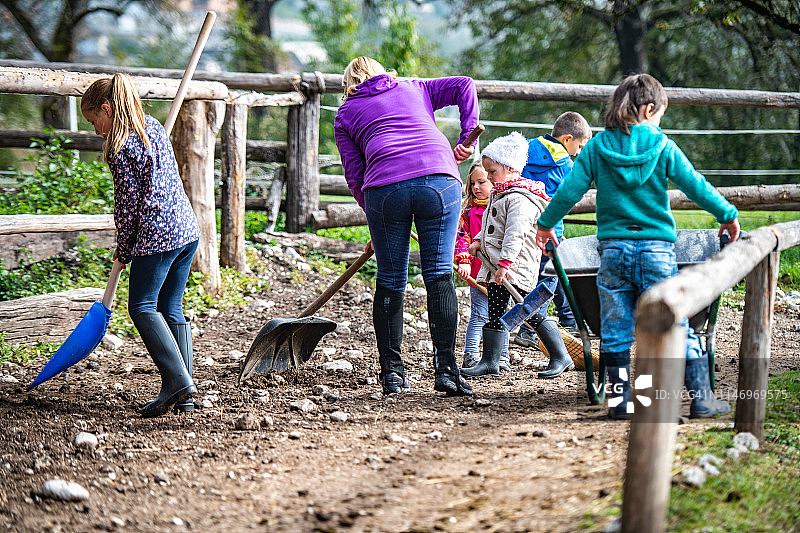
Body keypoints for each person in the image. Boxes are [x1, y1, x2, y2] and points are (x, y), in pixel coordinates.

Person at [535, 73, 740, 419]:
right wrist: (727, 215)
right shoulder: (662, 146)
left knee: (615, 331)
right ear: (648, 110)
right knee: (676, 322)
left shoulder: (597, 147)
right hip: (657, 252)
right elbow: (695, 185)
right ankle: (702, 399)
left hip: (613, 253)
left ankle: (621, 402)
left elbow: (569, 191)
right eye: (660, 115)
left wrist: (545, 224)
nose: (659, 122)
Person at [334, 57, 479, 397]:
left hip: (385, 191)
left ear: (349, 85)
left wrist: (377, 219)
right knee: (439, 275)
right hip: (439, 181)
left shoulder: (346, 113)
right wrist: (468, 138)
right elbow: (465, 84)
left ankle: (392, 376)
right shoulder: (414, 87)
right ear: (384, 73)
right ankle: (447, 373)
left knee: (390, 280)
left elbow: (354, 173)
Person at [81, 73, 199, 417]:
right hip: (186, 230)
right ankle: (185, 394)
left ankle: (177, 381)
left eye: (94, 121)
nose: (96, 130)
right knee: (170, 308)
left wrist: (125, 247)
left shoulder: (119, 148)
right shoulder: (153, 127)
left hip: (157, 235)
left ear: (107, 109)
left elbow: (128, 206)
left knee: (142, 307)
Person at [462, 132, 574, 379]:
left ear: (510, 167)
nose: (488, 176)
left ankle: (561, 355)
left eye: (492, 172)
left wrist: (505, 263)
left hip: (515, 267)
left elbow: (516, 233)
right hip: (497, 267)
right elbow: (489, 223)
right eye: (487, 172)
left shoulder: (520, 199)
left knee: (528, 310)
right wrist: (478, 240)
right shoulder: (499, 193)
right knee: (496, 311)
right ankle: (491, 360)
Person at [514, 112, 593, 348]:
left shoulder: (526, 149)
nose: (578, 152)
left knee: (554, 271)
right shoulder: (565, 165)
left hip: (522, 226)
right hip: (549, 230)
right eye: (579, 146)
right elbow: (566, 199)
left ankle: (568, 320)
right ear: (567, 139)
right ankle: (529, 328)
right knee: (549, 278)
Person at [455, 161, 510, 371]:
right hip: (478, 272)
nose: (476, 187)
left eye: (482, 182)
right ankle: (470, 354)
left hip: (499, 272)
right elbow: (463, 237)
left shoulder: (502, 206)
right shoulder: (468, 212)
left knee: (502, 315)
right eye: (473, 183)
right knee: (479, 314)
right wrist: (464, 261)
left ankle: (501, 356)